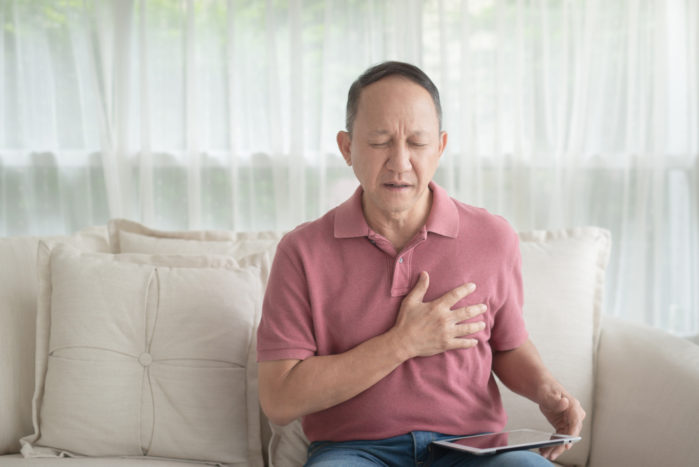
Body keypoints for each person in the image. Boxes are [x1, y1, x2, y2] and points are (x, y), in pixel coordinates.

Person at [256, 61, 585, 467]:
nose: (399, 161)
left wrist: (548, 391)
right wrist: (403, 343)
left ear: (441, 147)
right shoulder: (301, 251)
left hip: (474, 449)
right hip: (354, 452)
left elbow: (508, 346)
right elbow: (280, 399)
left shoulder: (493, 237)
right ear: (346, 147)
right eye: (379, 141)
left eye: (417, 142)